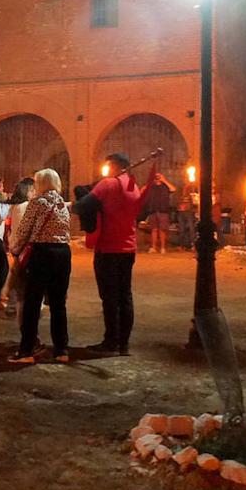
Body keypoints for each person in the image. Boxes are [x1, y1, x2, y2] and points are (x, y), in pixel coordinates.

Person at [75, 152, 153, 356]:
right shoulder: (132, 186)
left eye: (108, 166)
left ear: (116, 166)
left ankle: (110, 341)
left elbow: (83, 206)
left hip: (108, 248)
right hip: (128, 248)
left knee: (109, 297)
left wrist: (72, 202)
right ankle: (123, 343)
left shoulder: (108, 184)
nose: (106, 170)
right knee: (125, 295)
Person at [8, 169, 73, 364]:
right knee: (58, 304)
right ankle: (61, 350)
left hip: (42, 253)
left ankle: (26, 351)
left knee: (32, 303)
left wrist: (16, 249)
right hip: (63, 254)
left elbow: (24, 230)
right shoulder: (62, 203)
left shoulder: (37, 202)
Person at [3, 178, 35, 320]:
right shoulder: (26, 206)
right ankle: (14, 306)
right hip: (22, 247)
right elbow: (25, 229)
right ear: (28, 191)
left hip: (16, 245)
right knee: (19, 277)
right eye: (33, 190)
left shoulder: (16, 206)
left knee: (16, 274)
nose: (35, 193)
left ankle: (11, 304)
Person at [141, 172, 175, 253]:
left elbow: (173, 189)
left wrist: (164, 180)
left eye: (159, 176)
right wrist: (150, 182)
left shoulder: (165, 186)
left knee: (162, 230)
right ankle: (153, 247)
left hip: (163, 210)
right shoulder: (151, 187)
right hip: (153, 210)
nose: (157, 178)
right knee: (154, 229)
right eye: (156, 176)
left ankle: (163, 248)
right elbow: (142, 190)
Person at [177, 168, 198, 250]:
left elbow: (195, 202)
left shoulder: (193, 190)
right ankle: (181, 245)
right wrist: (180, 206)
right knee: (181, 229)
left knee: (191, 228)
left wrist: (193, 197)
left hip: (189, 212)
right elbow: (178, 200)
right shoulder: (180, 190)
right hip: (181, 212)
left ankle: (193, 244)